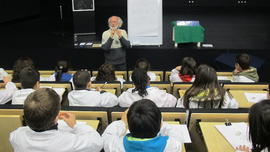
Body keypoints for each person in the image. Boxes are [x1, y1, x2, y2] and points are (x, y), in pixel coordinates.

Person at [10, 88, 103, 152]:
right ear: (57, 117)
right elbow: (97, 142)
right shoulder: (69, 142)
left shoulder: (15, 135)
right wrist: (75, 126)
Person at [102, 99, 183, 152]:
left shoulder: (114, 145)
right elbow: (176, 134)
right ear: (160, 124)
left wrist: (122, 122)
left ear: (129, 127)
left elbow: (106, 137)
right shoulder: (172, 146)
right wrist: (160, 121)